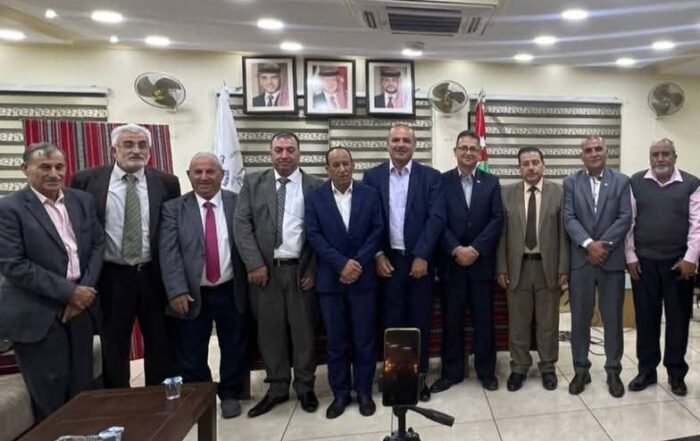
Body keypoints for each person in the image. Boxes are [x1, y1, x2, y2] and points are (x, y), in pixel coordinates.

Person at [70, 123, 181, 388]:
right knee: (113, 343)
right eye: (128, 145)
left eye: (142, 145)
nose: (136, 150)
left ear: (150, 151)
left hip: (153, 275)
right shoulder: (86, 181)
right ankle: (118, 399)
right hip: (111, 276)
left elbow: (171, 231)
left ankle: (158, 398)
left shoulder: (167, 182)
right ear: (114, 150)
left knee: (160, 341)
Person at [0, 142, 104, 421]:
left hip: (80, 310)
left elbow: (97, 245)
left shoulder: (82, 201)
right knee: (51, 398)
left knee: (82, 390)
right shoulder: (8, 208)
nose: (54, 174)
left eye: (59, 167)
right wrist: (70, 293)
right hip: (37, 313)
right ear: (25, 169)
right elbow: (13, 264)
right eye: (45, 167)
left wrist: (83, 293)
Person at [234, 131, 322, 417]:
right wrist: (254, 264)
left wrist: (313, 269)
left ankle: (305, 387)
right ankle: (277, 387)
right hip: (265, 272)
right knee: (270, 332)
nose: (284, 155)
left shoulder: (316, 186)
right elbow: (241, 225)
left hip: (301, 271)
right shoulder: (253, 183)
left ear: (299, 153)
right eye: (278, 150)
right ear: (270, 153)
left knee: (304, 332)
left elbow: (323, 232)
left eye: (290, 150)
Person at [159, 153, 249, 418]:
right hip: (191, 292)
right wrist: (176, 290)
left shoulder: (238, 202)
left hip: (231, 288)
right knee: (191, 349)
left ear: (221, 174)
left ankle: (230, 394)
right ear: (189, 176)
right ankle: (202, 395)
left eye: (210, 171)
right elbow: (169, 252)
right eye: (198, 172)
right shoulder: (174, 209)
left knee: (233, 345)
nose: (204, 177)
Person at [362, 124, 445, 402]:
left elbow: (436, 219)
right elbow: (367, 219)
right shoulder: (372, 177)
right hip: (386, 262)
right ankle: (396, 378)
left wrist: (422, 255)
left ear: (415, 145)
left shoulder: (430, 177)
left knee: (420, 322)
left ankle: (418, 378)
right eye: (395, 140)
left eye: (406, 140)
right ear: (387, 144)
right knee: (391, 323)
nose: (400, 144)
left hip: (420, 262)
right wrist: (377, 254)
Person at [305, 147, 384, 419]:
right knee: (336, 341)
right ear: (327, 169)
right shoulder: (314, 198)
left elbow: (377, 231)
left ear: (353, 165)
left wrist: (356, 263)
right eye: (336, 165)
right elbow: (314, 235)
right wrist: (341, 264)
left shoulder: (370, 194)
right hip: (331, 280)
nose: (342, 169)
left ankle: (363, 392)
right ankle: (340, 394)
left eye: (346, 163)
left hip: (363, 279)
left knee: (364, 340)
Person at [625, 138, 699, 396]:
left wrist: (691, 258)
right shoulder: (635, 182)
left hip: (679, 264)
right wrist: (630, 256)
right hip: (644, 263)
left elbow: (697, 225)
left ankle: (676, 374)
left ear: (675, 157)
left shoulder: (691, 184)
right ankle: (646, 371)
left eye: (665, 154)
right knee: (646, 320)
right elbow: (629, 222)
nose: (660, 159)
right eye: (655, 154)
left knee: (678, 321)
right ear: (650, 158)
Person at [430, 130, 503, 393]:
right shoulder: (441, 181)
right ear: (456, 152)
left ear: (480, 153)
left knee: (484, 321)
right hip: (452, 265)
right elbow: (437, 219)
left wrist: (475, 249)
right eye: (464, 148)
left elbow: (497, 220)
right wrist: (455, 249)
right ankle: (452, 372)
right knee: (452, 321)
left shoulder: (492, 182)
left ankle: (486, 371)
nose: (468, 152)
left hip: (481, 265)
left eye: (473, 148)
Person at [563, 135, 631, 398]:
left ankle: (613, 370)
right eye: (588, 150)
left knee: (613, 318)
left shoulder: (621, 181)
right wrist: (589, 244)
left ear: (606, 152)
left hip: (610, 262)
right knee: (580, 318)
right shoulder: (570, 182)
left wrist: (602, 247)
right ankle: (581, 369)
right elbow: (569, 218)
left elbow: (625, 217)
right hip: (581, 261)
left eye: (598, 149)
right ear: (582, 155)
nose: (593, 153)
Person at [496, 147, 569, 392]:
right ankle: (519, 367)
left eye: (535, 162)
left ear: (543, 165)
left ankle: (547, 366)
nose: (531, 167)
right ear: (519, 168)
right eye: (525, 163)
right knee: (518, 322)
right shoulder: (507, 193)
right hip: (517, 268)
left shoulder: (559, 193)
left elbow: (564, 234)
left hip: (548, 268)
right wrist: (501, 267)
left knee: (548, 322)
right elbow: (501, 235)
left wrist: (563, 267)